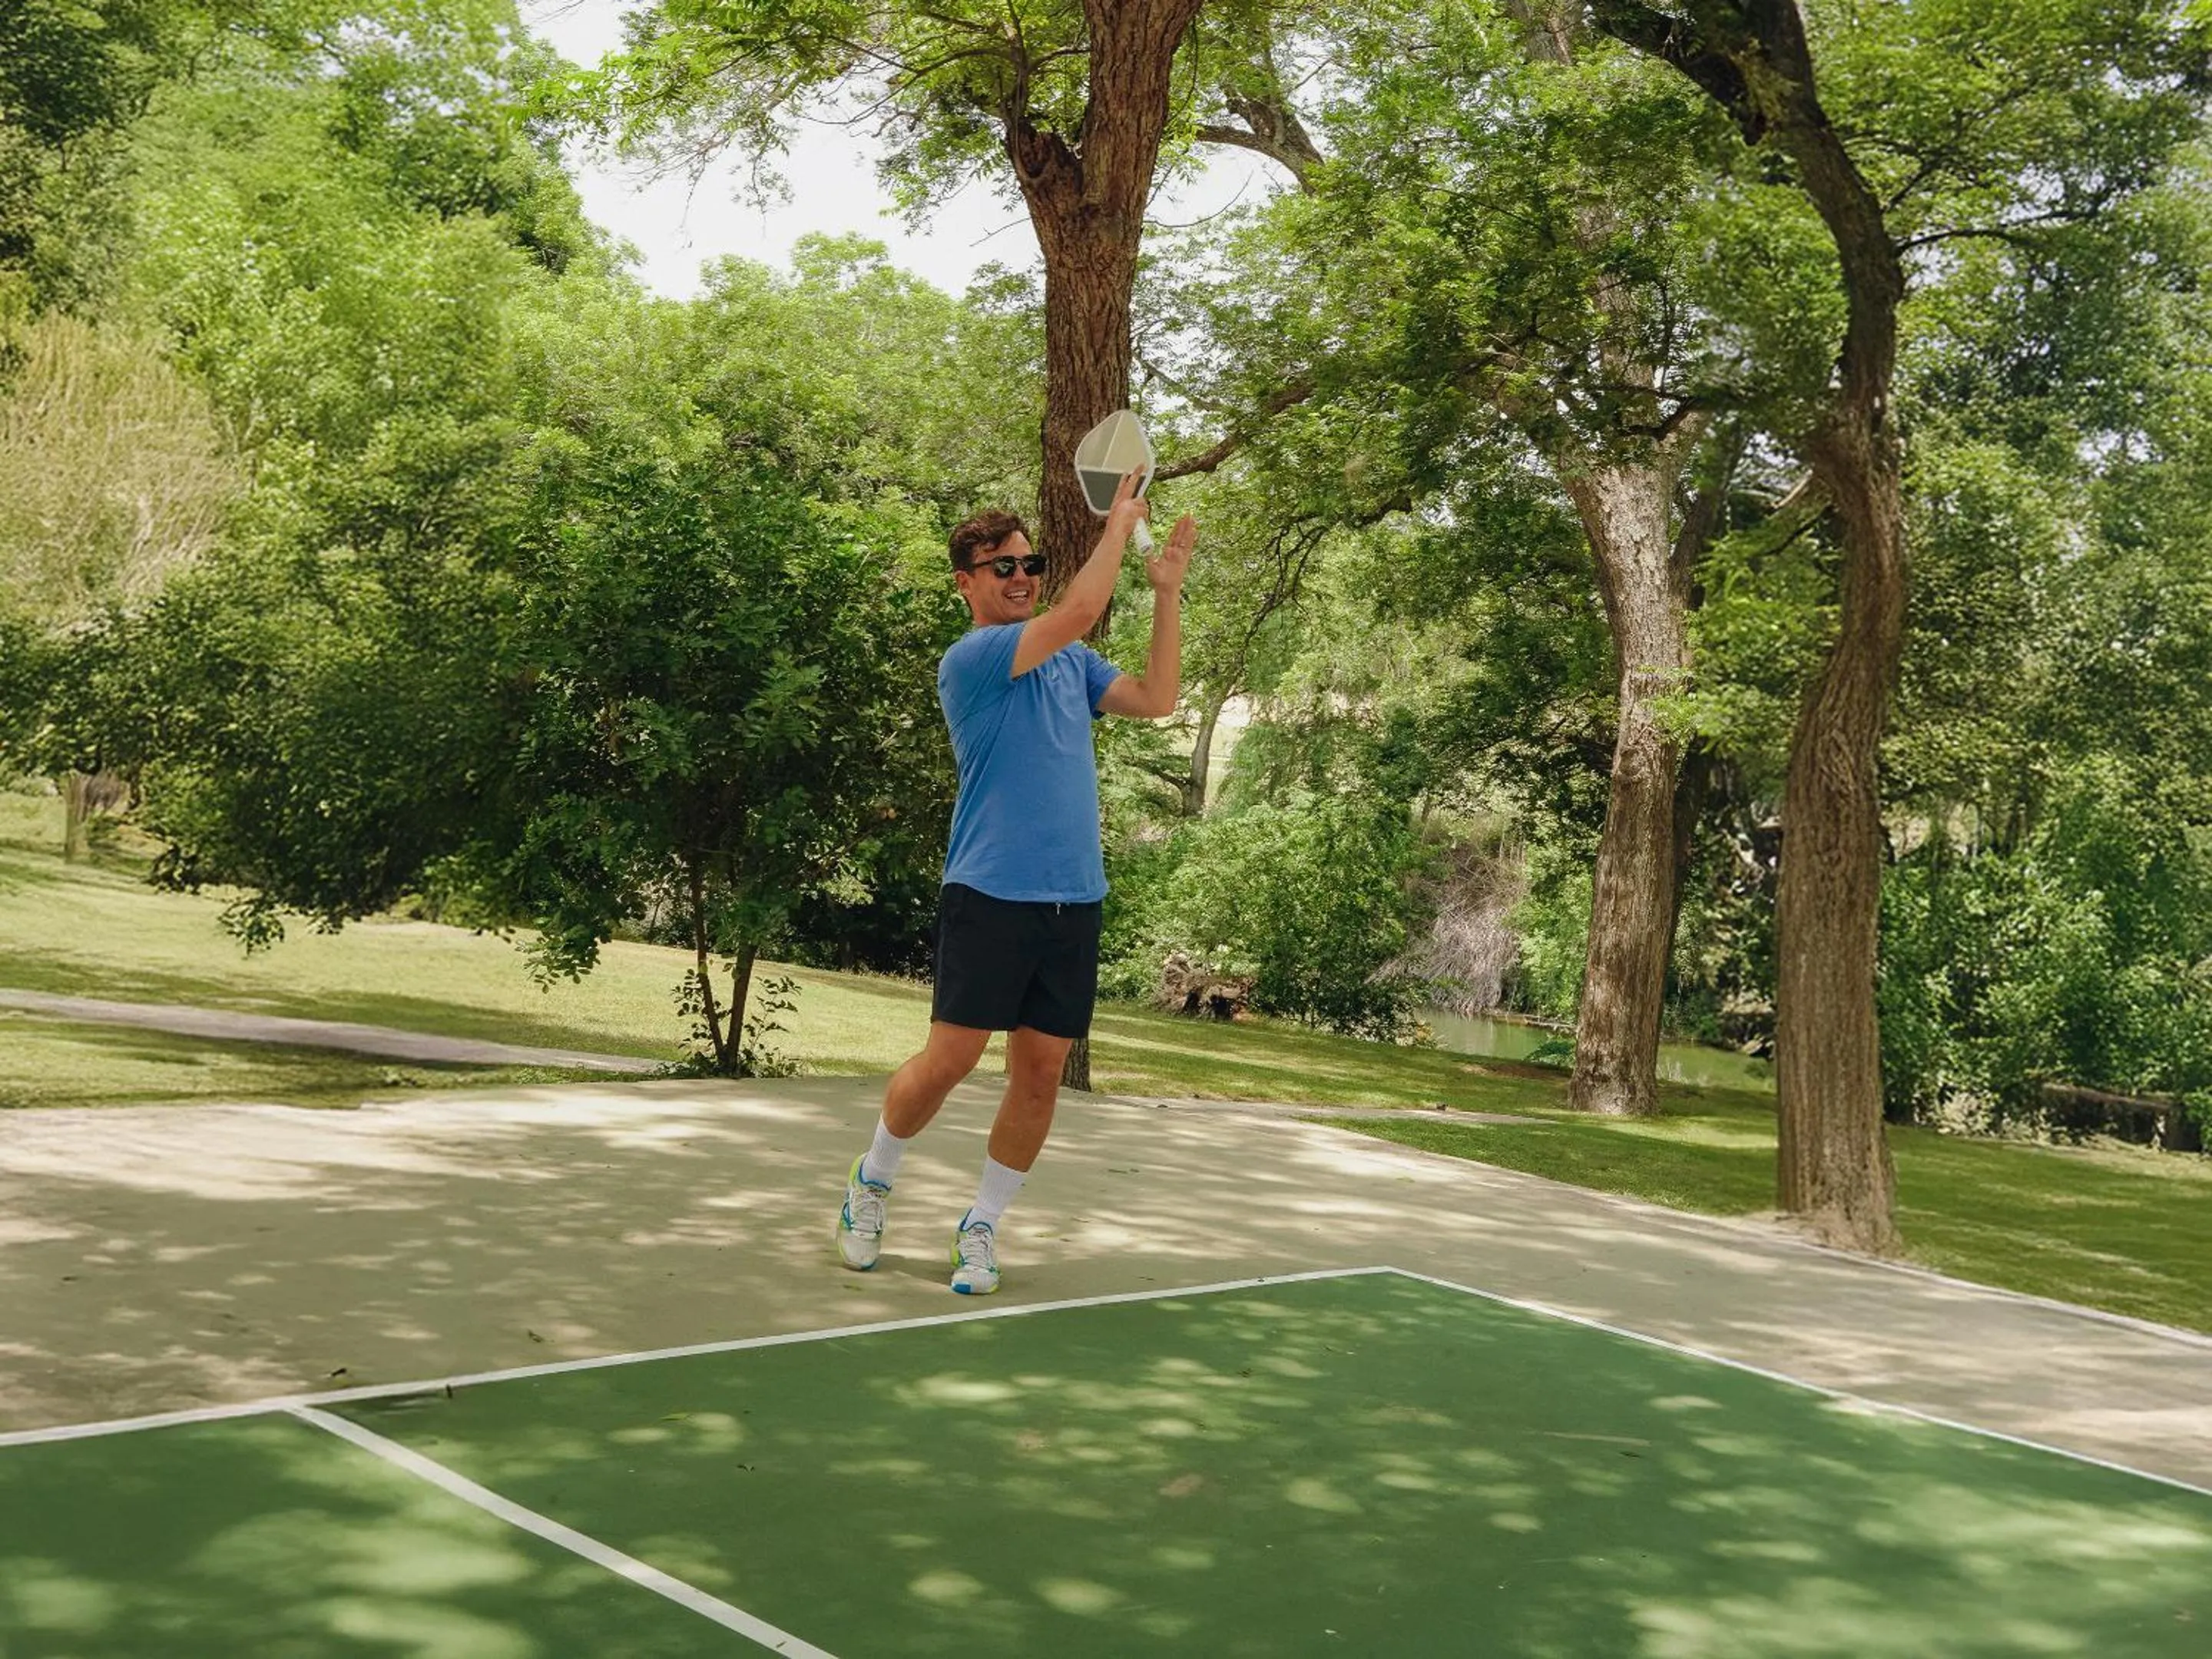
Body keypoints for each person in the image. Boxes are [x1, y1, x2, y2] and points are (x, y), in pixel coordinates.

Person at [835, 470, 1197, 1293]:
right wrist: (1118, 527)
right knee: (950, 1061)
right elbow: (1079, 608)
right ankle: (872, 1179)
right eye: (1004, 567)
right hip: (989, 892)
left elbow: (1158, 698)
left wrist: (1167, 594)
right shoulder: (974, 657)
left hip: (1074, 899)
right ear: (967, 583)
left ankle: (983, 1226)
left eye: (1031, 565)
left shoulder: (1070, 664)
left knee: (1039, 1076)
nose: (1023, 577)